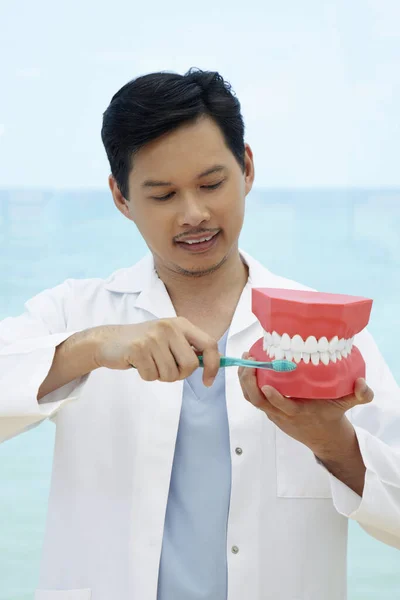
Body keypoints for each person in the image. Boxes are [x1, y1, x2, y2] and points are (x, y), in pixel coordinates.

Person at [0, 68, 399, 600]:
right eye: (163, 195)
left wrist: (334, 444)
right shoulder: (77, 311)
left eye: (212, 184)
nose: (195, 214)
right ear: (121, 197)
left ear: (248, 168)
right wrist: (91, 348)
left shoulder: (326, 334)